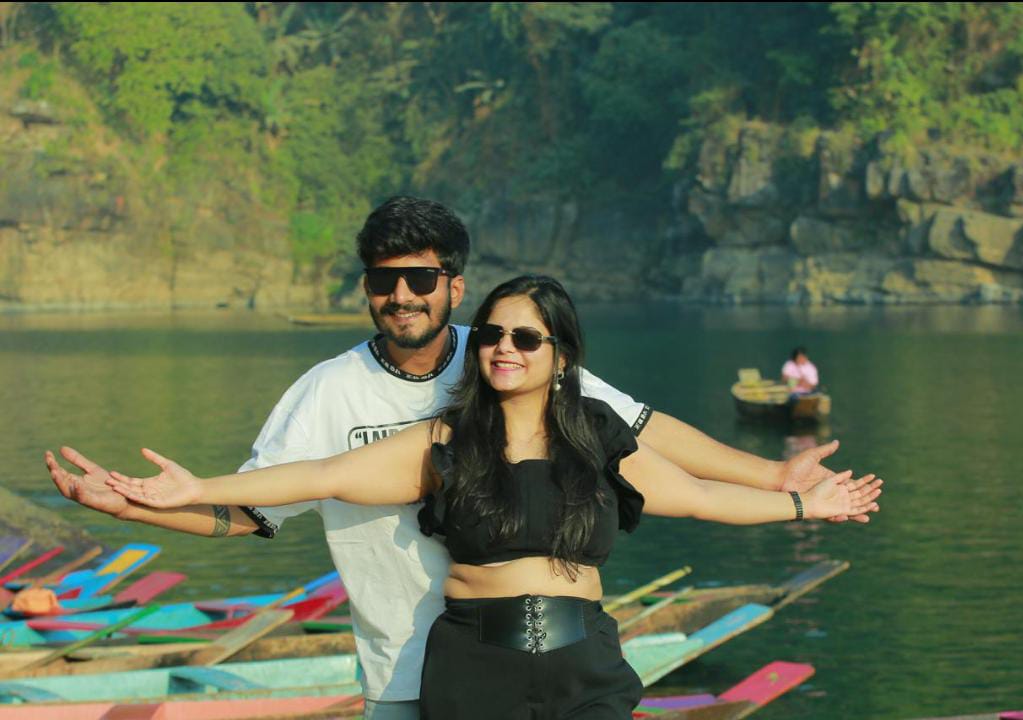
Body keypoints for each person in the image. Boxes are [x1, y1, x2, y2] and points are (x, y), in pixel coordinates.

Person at [46, 196, 879, 720]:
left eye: (419, 279)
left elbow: (652, 440)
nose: (400, 296)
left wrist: (777, 480)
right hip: (418, 667)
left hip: (564, 655)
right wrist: (147, 503)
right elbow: (272, 501)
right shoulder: (332, 393)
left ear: (453, 285)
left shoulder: (524, 369)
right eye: (383, 280)